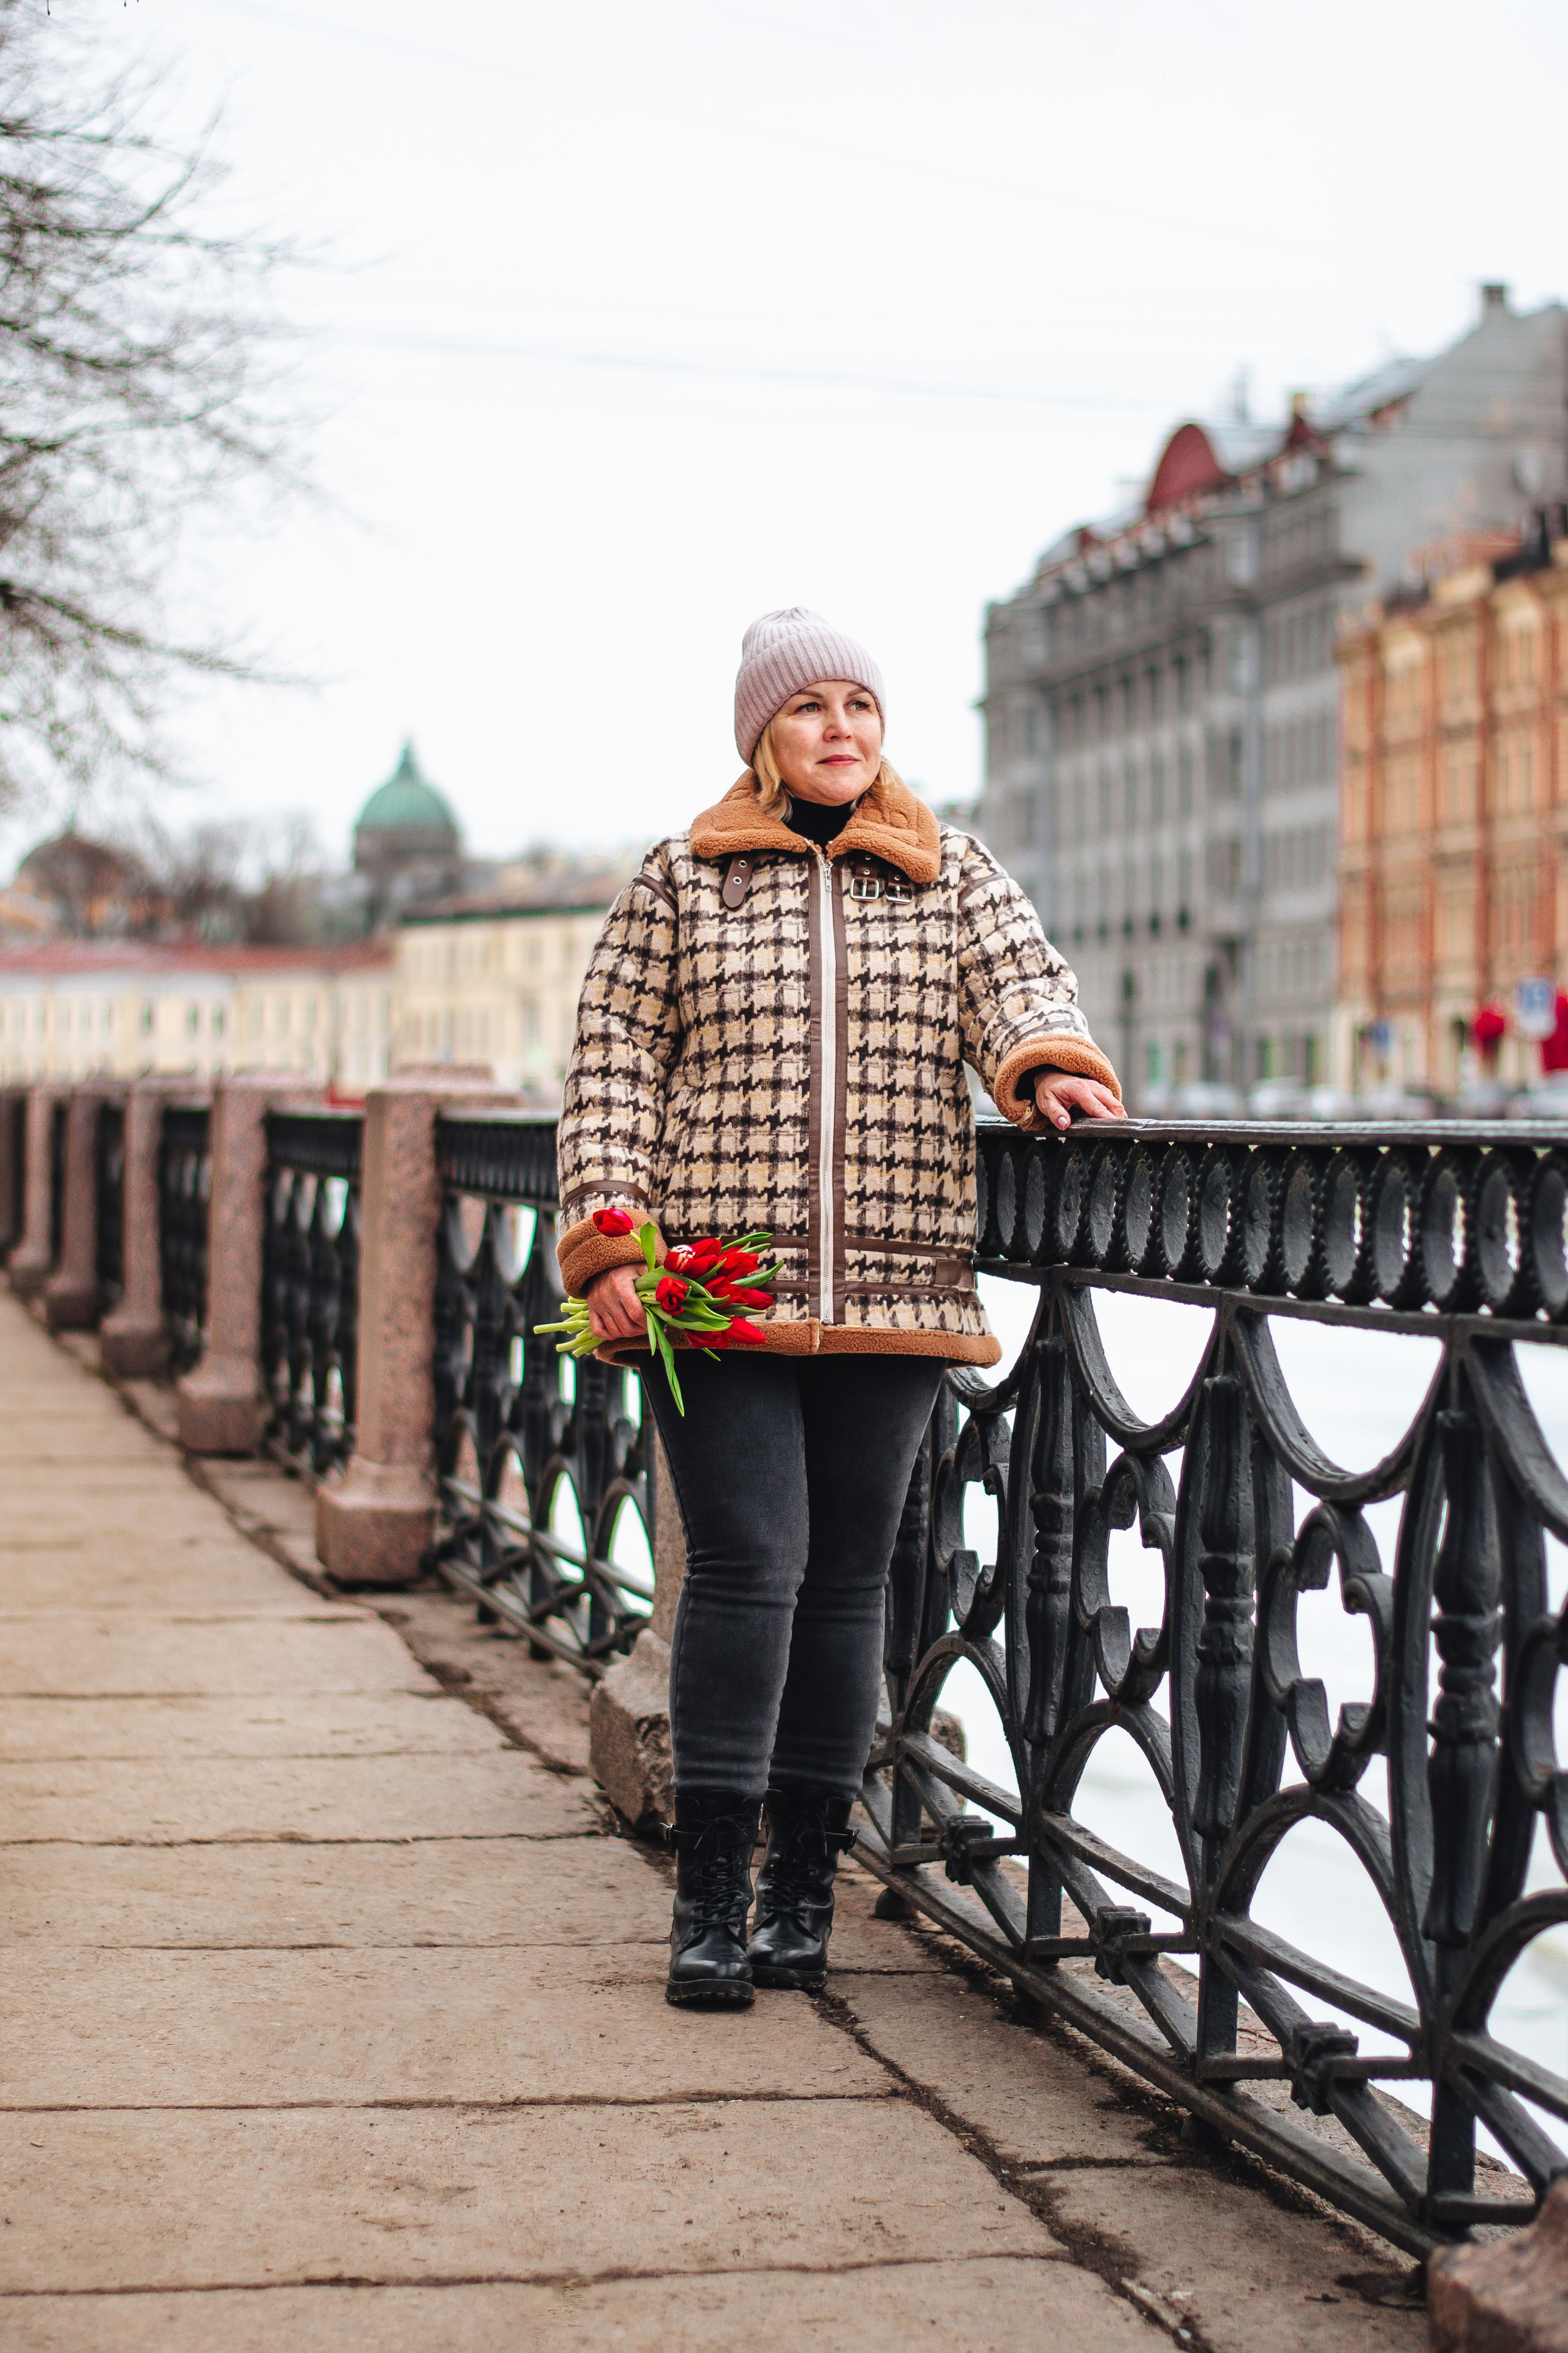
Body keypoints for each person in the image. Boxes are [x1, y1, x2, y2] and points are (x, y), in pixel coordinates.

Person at [555, 607, 1121, 2007]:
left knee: (850, 1580)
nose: (841, 728)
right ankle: (709, 1897)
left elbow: (1017, 987)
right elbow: (613, 1061)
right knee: (749, 1567)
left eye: (861, 704)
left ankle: (805, 1885)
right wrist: (613, 1240)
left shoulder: (950, 869)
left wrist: (1045, 1067)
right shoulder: (682, 878)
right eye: (810, 706)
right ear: (761, 732)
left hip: (894, 1277)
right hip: (714, 1287)